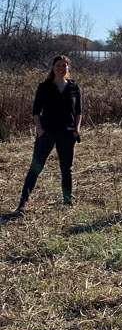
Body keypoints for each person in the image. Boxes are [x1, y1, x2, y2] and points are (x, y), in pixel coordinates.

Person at [14, 55, 82, 216]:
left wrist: (76, 129)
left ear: (68, 68)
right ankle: (22, 203)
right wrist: (39, 129)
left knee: (67, 170)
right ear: (53, 67)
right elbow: (36, 111)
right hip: (47, 133)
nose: (61, 68)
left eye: (64, 66)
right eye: (58, 65)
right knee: (35, 168)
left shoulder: (74, 87)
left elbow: (79, 111)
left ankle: (67, 202)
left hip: (67, 134)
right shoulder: (44, 87)